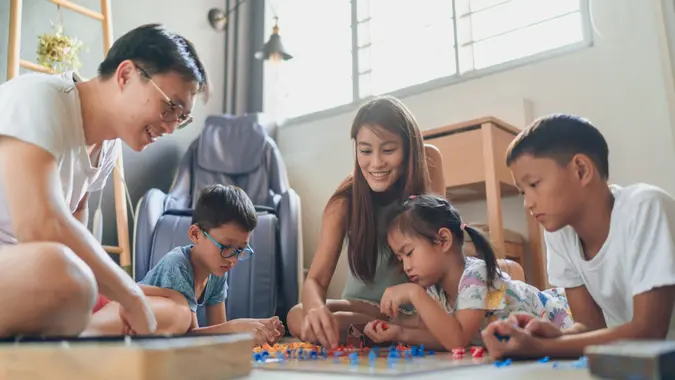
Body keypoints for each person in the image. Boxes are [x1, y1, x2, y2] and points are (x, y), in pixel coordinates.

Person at [0, 23, 209, 337]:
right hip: (28, 269)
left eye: (181, 118)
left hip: (34, 276)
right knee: (63, 275)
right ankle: (74, 330)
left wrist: (123, 297)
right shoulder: (40, 98)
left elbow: (73, 224)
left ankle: (74, 331)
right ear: (125, 75)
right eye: (170, 107)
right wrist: (127, 294)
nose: (169, 128)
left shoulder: (107, 146)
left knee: (176, 311)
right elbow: (40, 226)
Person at [285, 95, 523, 349]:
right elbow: (317, 280)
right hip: (366, 305)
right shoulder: (343, 203)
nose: (376, 162)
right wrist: (315, 311)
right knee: (297, 317)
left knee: (510, 271)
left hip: (422, 302)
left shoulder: (428, 161)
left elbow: (437, 240)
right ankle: (389, 332)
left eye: (388, 150)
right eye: (365, 151)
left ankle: (391, 332)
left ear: (410, 148)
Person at [481, 114, 675, 359]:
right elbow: (591, 328)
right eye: (522, 191)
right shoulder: (560, 231)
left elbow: (648, 333)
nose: (527, 203)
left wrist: (540, 348)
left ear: (581, 170)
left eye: (534, 184)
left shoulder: (645, 207)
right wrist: (551, 336)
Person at [361, 194, 573, 351]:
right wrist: (400, 332)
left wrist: (414, 294)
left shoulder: (475, 275)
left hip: (562, 320)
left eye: (409, 253)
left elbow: (457, 339)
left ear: (443, 240)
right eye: (400, 258)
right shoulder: (434, 288)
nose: (406, 266)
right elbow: (444, 336)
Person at [84, 184, 285, 345]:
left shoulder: (217, 272)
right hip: (113, 313)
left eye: (241, 250)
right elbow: (188, 334)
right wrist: (237, 327)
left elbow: (219, 332)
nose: (233, 258)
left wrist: (257, 331)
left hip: (150, 331)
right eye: (226, 246)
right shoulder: (178, 265)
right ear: (196, 234)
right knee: (180, 315)